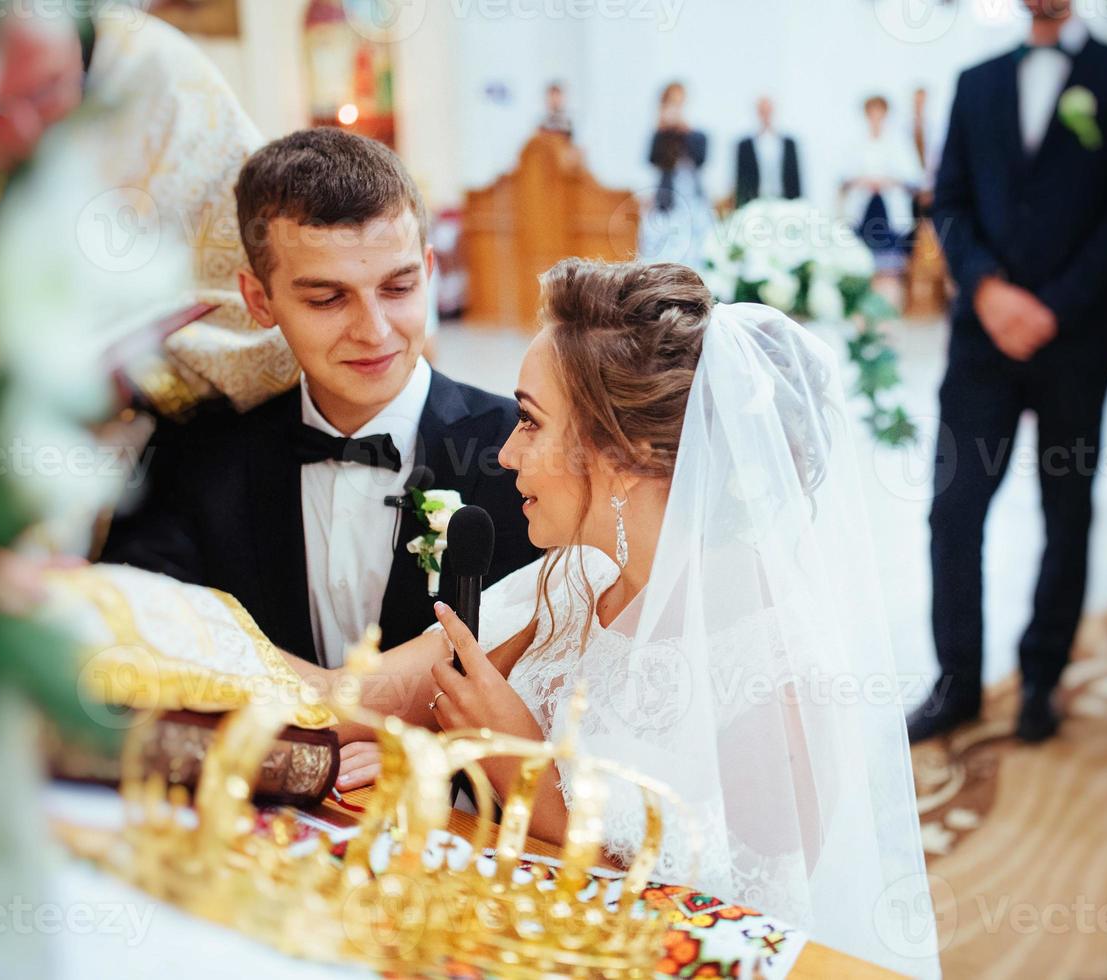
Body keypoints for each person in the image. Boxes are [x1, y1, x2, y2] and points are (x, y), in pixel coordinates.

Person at [292, 260, 939, 976]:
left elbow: (730, 938)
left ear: (625, 455)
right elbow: (346, 696)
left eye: (531, 423)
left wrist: (515, 763)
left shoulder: (780, 672)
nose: (506, 454)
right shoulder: (572, 577)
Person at [101, 128, 540, 667]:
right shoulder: (198, 454)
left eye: (398, 288)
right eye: (328, 299)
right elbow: (139, 624)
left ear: (428, 272)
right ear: (260, 301)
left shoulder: (520, 454)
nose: (375, 331)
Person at [910, 0, 1107, 743]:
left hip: (1076, 337)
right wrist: (987, 289)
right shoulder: (977, 79)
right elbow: (949, 199)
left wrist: (1052, 306)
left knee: (1067, 510)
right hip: (981, 339)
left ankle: (1042, 680)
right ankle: (956, 683)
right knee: (953, 512)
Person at [0, 7, 297, 417]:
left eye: (47, 91)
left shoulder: (161, 82)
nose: (24, 132)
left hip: (187, 426)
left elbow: (264, 311)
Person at [840, 95, 923, 305]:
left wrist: (888, 181)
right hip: (864, 209)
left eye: (879, 112)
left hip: (888, 209)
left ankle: (889, 307)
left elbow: (914, 176)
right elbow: (843, 175)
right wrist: (863, 181)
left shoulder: (897, 140)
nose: (875, 116)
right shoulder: (855, 141)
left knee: (890, 265)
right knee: (863, 263)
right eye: (871, 112)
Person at [640, 81, 714, 267]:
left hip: (694, 201)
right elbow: (655, 160)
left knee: (698, 251)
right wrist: (665, 131)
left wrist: (683, 129)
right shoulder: (661, 135)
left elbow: (701, 158)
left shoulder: (696, 134)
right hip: (668, 203)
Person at [735, 95, 802, 208]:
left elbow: (795, 178)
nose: (765, 115)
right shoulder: (744, 146)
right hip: (754, 204)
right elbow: (741, 181)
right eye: (762, 111)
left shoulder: (789, 144)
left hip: (785, 202)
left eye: (768, 110)